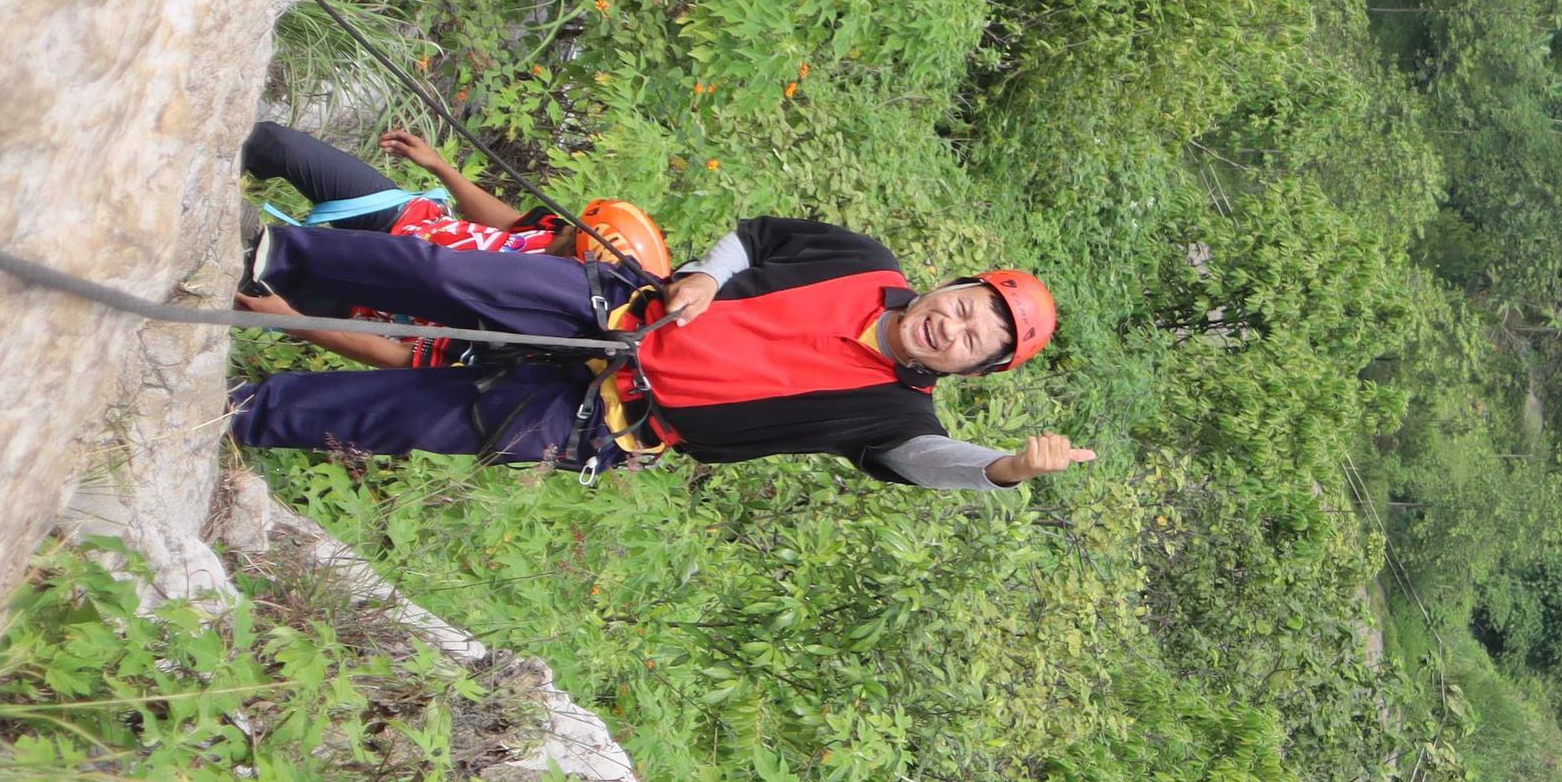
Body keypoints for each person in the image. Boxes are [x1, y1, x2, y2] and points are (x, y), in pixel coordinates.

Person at [227, 210, 1085, 490]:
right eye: (966, 308)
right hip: (627, 311)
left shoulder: (895, 414)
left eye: (974, 342)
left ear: (970, 371)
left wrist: (1002, 470)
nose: (954, 327)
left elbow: (926, 461)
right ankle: (279, 256)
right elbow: (757, 237)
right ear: (951, 285)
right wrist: (708, 275)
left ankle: (247, 413)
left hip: (616, 418)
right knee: (449, 276)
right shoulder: (862, 260)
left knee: (419, 415)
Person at [238, 120, 669, 368]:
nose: (562, 232)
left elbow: (400, 356)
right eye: (571, 229)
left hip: (361, 300)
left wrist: (293, 321)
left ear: (582, 264)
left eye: (572, 236)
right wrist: (441, 168)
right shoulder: (554, 238)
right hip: (399, 220)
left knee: (243, 270)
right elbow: (513, 225)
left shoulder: (526, 325)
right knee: (274, 143)